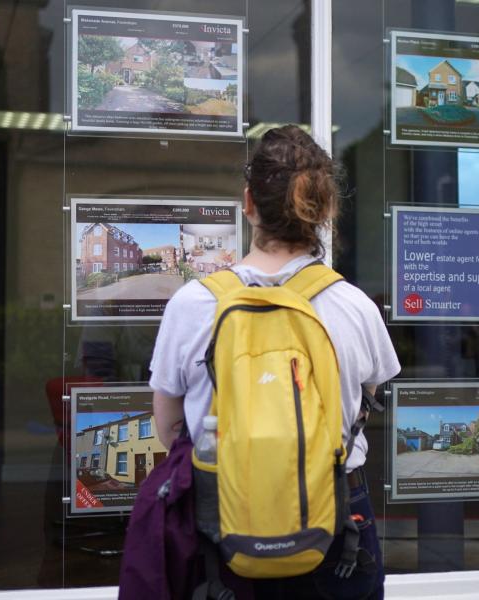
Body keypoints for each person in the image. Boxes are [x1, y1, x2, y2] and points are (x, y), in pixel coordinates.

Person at [149, 125, 401, 599]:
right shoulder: (354, 305)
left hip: (224, 520)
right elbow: (364, 403)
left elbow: (169, 428)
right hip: (337, 519)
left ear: (248, 202)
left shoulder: (192, 304)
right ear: (325, 209)